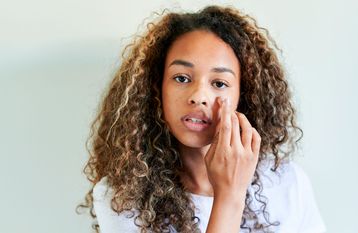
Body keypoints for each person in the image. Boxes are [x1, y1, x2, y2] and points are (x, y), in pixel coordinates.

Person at [77, 5, 326, 233]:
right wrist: (229, 197)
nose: (199, 97)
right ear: (156, 88)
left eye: (219, 83)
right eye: (182, 78)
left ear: (243, 95)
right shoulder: (122, 196)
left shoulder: (288, 183)